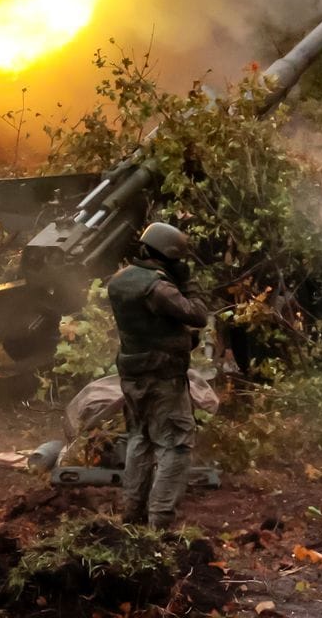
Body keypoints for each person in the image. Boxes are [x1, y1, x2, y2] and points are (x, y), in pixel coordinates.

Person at [106, 221, 209, 528]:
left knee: (141, 439)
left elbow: (149, 326)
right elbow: (198, 315)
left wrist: (178, 339)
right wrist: (189, 284)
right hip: (161, 377)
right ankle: (160, 523)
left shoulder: (120, 280)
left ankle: (132, 515)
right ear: (167, 256)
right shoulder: (158, 287)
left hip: (133, 374)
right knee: (176, 444)